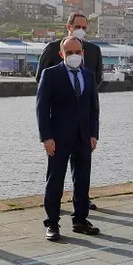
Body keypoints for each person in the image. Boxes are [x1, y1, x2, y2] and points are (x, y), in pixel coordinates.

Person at [36, 12, 103, 210]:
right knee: (56, 170)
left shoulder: (93, 50)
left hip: (82, 120)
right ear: (69, 26)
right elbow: (41, 80)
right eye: (77, 26)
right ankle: (52, 211)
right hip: (60, 120)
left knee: (82, 170)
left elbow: (96, 80)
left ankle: (81, 206)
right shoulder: (52, 48)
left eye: (84, 27)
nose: (81, 30)